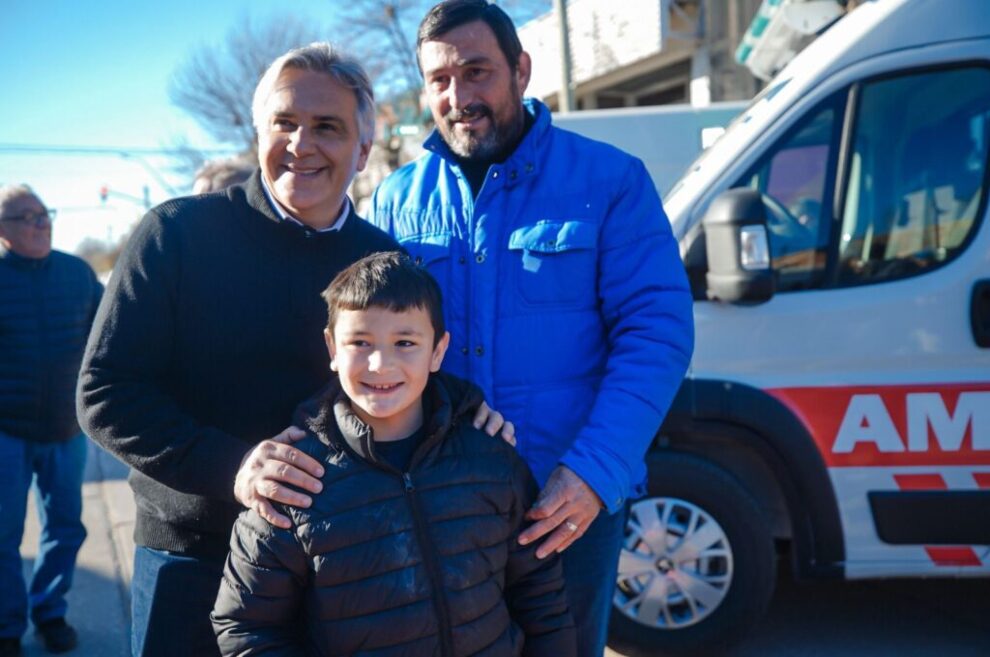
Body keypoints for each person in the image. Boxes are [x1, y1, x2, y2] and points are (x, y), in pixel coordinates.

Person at [369, 2, 696, 655]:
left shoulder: (609, 181)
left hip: (563, 502)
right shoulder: (396, 200)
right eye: (439, 80)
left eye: (477, 71)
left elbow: (656, 333)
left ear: (520, 70)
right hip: (438, 502)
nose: (458, 97)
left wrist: (594, 471)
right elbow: (370, 349)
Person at [77, 44, 407, 657]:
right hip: (191, 563)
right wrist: (234, 467)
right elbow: (104, 392)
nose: (301, 143)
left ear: (363, 150)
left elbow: (408, 386)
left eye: (327, 127)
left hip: (338, 565)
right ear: (259, 134)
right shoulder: (175, 234)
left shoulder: (387, 262)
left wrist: (464, 412)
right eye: (285, 122)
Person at [212, 251, 576, 656]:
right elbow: (246, 627)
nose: (381, 364)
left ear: (438, 350)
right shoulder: (294, 479)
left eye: (405, 343)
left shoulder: (492, 460)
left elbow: (541, 599)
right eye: (360, 342)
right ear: (332, 347)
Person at [0, 185, 102, 656]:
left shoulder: (77, 273)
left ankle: (50, 611)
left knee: (65, 527)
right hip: (6, 432)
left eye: (45, 214)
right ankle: (6, 625)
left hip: (67, 428)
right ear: (3, 230)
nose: (42, 223)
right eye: (28, 217)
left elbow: (111, 335)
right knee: (4, 534)